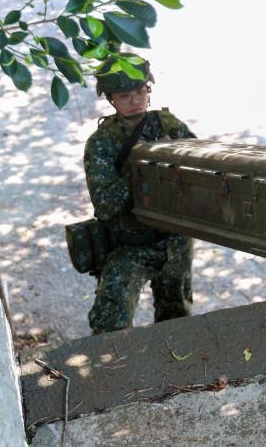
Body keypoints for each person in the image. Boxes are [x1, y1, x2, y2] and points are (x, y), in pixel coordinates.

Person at [83, 53, 196, 334]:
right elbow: (105, 206)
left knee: (178, 320)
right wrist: (139, 167)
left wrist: (176, 155)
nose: (135, 100)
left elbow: (202, 172)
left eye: (140, 91)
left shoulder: (169, 127)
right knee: (110, 323)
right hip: (129, 246)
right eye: (125, 95)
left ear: (149, 90)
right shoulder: (102, 143)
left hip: (174, 241)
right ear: (111, 99)